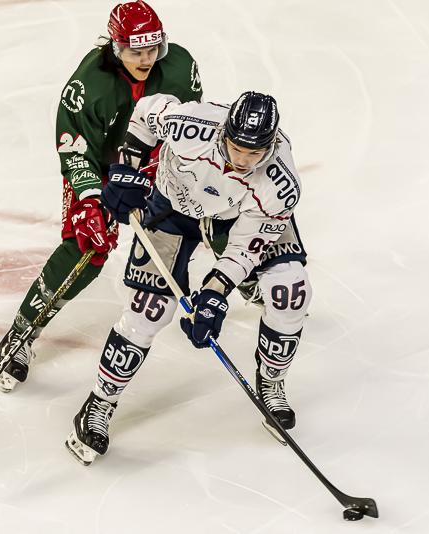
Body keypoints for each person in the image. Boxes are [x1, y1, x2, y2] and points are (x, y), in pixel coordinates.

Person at [65, 91, 312, 466]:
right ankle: (100, 401)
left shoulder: (281, 184)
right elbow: (145, 112)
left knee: (290, 290)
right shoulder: (191, 124)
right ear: (224, 132)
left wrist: (214, 293)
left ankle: (272, 379)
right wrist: (128, 171)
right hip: (172, 208)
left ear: (272, 145)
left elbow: (245, 248)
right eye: (236, 148)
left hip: (237, 221)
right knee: (148, 310)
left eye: (254, 153)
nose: (242, 160)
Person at [0, 1, 203, 392]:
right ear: (116, 47)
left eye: (152, 49)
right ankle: (21, 333)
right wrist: (90, 199)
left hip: (156, 165)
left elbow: (189, 130)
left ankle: (246, 278)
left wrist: (160, 173)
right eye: (136, 51)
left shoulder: (180, 68)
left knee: (214, 205)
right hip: (103, 171)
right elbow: (75, 149)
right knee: (86, 246)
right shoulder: (88, 85)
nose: (146, 59)